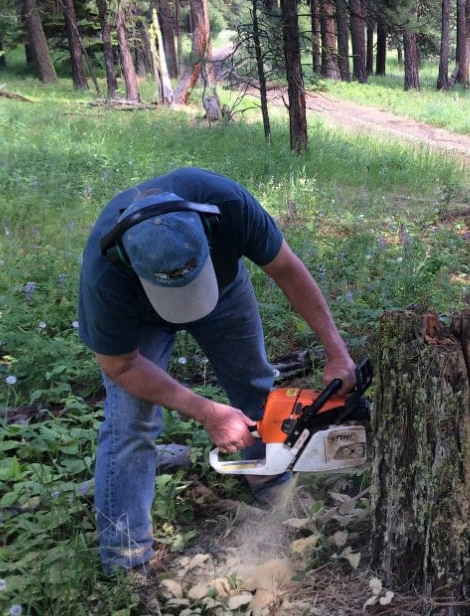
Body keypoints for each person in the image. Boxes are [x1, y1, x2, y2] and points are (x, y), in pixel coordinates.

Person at [77, 167, 355, 574]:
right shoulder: (106, 276)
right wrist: (206, 411)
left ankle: (273, 482)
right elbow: (121, 365)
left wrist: (336, 351)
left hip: (223, 290)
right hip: (142, 318)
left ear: (209, 230)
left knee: (254, 385)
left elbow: (288, 270)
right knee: (129, 424)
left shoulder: (228, 205)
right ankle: (125, 558)